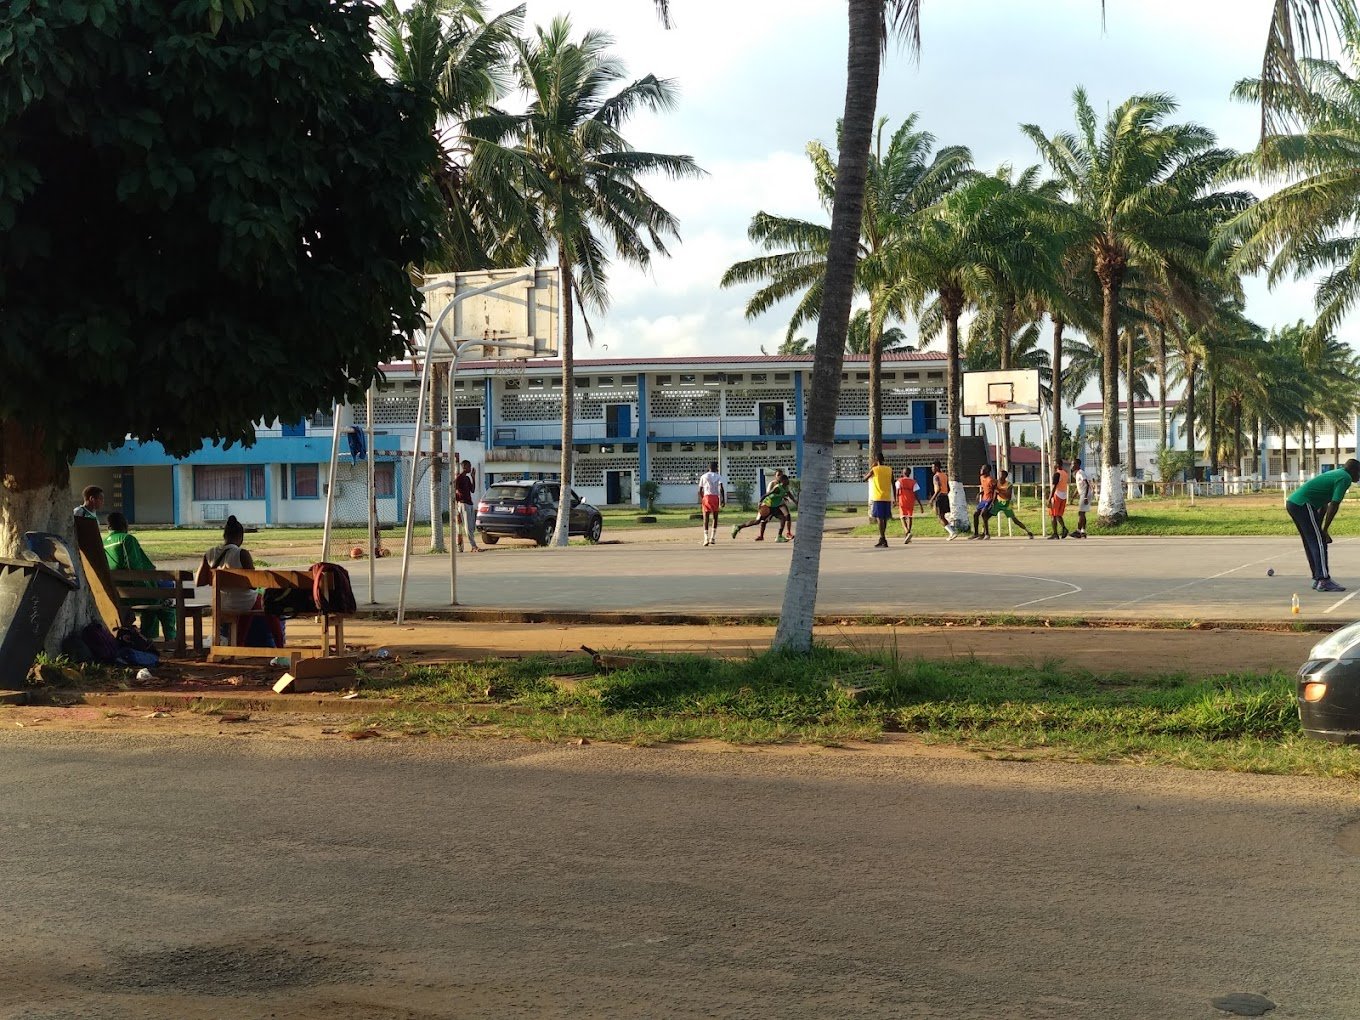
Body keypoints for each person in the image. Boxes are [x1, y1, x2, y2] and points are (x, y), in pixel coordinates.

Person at [195, 515, 285, 648]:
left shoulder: (210, 554)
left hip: (221, 605)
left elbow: (199, 581)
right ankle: (279, 646)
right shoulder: (242, 554)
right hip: (244, 603)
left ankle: (239, 643)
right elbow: (253, 585)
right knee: (266, 604)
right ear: (241, 537)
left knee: (251, 600)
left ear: (224, 535)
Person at [1286, 459, 1360, 593]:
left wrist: (1321, 529)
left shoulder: (1338, 474)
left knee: (1311, 541)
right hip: (1303, 504)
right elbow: (1334, 505)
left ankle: (1317, 578)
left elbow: (1324, 505)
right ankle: (1323, 580)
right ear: (1354, 471)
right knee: (1318, 541)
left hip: (1294, 503)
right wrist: (1324, 530)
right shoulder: (1345, 478)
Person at [103, 512, 177, 643]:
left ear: (108, 526)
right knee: (166, 601)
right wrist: (149, 589)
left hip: (116, 592)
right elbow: (135, 567)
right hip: (133, 592)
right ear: (125, 525)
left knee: (156, 599)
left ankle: (149, 639)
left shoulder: (103, 543)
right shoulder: (126, 539)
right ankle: (169, 639)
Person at [732, 470, 795, 542]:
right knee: (757, 521)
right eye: (779, 475)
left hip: (775, 506)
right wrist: (760, 502)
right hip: (767, 505)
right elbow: (767, 494)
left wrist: (795, 502)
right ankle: (738, 527)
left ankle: (779, 536)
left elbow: (789, 495)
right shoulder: (776, 486)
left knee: (783, 518)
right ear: (782, 480)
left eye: (781, 475)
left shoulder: (785, 487)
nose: (788, 481)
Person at [990, 470, 1035, 538]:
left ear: (1005, 476)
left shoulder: (1009, 484)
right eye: (999, 475)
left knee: (1015, 520)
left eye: (1001, 475)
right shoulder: (996, 483)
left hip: (1006, 503)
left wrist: (999, 491)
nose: (999, 477)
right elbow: (994, 492)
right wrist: (993, 501)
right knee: (986, 515)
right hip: (998, 502)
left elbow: (1008, 496)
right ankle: (985, 533)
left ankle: (1028, 532)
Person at [863, 455, 894, 549]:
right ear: (884, 460)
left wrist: (872, 467)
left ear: (876, 460)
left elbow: (865, 478)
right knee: (885, 518)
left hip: (878, 497)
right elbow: (893, 482)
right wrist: (895, 497)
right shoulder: (889, 469)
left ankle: (883, 538)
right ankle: (882, 539)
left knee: (879, 518)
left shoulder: (874, 469)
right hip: (887, 496)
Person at [697, 461, 726, 546]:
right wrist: (723, 500)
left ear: (709, 468)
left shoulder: (703, 476)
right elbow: (721, 488)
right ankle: (712, 538)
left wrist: (703, 498)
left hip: (706, 497)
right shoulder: (718, 476)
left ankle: (706, 538)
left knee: (706, 518)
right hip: (715, 497)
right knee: (715, 518)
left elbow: (700, 490)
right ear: (716, 468)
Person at [454, 460, 479, 553]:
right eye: (469, 466)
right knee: (468, 527)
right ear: (464, 467)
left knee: (472, 527)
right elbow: (453, 489)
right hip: (463, 504)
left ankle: (473, 545)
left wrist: (473, 477)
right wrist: (457, 501)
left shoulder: (467, 478)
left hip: (470, 503)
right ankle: (473, 546)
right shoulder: (459, 478)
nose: (470, 468)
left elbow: (472, 490)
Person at [930, 460, 957, 540]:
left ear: (937, 467)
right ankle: (951, 530)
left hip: (940, 497)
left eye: (933, 467)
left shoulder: (936, 476)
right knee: (942, 516)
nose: (932, 469)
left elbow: (938, 489)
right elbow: (948, 488)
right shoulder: (945, 475)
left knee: (940, 517)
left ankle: (952, 532)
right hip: (945, 496)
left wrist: (932, 499)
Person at [896, 469, 921, 545]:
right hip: (910, 501)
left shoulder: (899, 481)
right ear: (910, 473)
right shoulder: (913, 482)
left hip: (902, 501)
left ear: (902, 473)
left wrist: (896, 500)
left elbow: (897, 492)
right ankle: (908, 533)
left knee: (902, 517)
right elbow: (916, 494)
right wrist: (920, 504)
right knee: (910, 517)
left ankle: (907, 531)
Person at [971, 465, 997, 540]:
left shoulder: (990, 480)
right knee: (975, 514)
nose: (981, 470)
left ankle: (987, 534)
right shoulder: (981, 478)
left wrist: (993, 501)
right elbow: (986, 488)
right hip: (984, 499)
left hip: (989, 500)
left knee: (983, 514)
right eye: (981, 468)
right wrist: (981, 492)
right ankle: (976, 534)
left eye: (983, 469)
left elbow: (996, 490)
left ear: (988, 471)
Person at [1047, 460, 1071, 539]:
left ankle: (1055, 533)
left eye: (1054, 463)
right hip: (1063, 495)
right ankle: (1064, 528)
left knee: (1053, 515)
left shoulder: (1057, 474)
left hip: (1057, 495)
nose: (1053, 465)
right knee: (1058, 514)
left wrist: (1050, 498)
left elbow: (1054, 487)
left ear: (1057, 464)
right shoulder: (1065, 473)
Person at [1072, 459, 1092, 538]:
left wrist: (1085, 497)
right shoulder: (1077, 473)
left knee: (1081, 513)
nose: (1072, 466)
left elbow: (1086, 484)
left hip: (1085, 494)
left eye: (1073, 464)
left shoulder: (1081, 473)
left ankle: (1078, 531)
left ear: (1077, 465)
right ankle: (1083, 531)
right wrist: (1074, 495)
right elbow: (1079, 486)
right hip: (1083, 494)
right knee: (1082, 513)